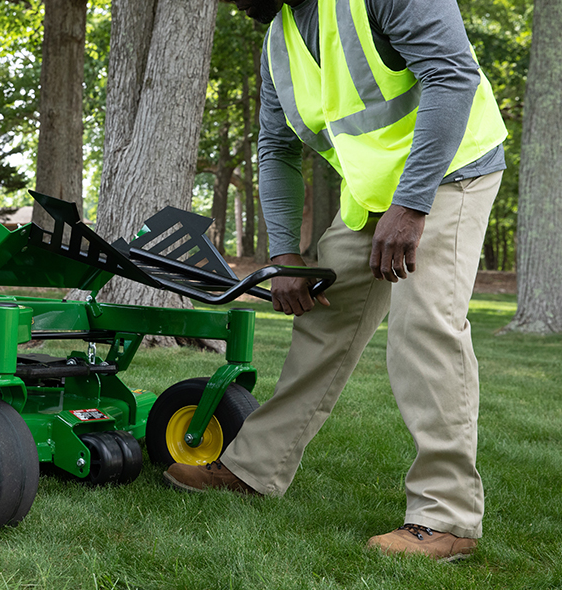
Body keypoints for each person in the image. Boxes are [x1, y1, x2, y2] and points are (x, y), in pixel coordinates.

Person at [163, 0, 507, 562]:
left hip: (450, 172)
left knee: (424, 326)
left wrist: (412, 205)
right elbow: (275, 149)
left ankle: (447, 518)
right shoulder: (278, 41)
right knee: (323, 320)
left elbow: (452, 75)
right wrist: (285, 254)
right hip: (373, 193)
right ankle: (254, 470)